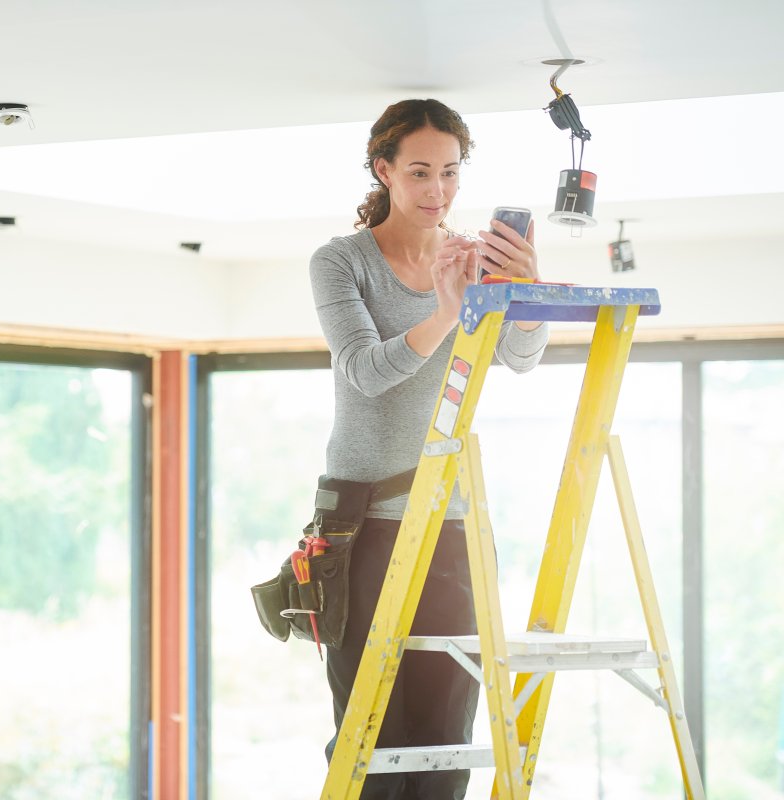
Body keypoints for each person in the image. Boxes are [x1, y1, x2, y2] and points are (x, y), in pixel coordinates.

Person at [309, 98, 549, 798]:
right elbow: (367, 371)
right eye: (418, 172)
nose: (437, 191)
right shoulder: (340, 262)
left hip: (451, 522)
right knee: (372, 727)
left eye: (449, 173)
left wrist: (519, 291)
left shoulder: (467, 256)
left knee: (446, 733)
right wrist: (449, 309)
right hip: (363, 523)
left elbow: (521, 356)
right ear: (383, 171)